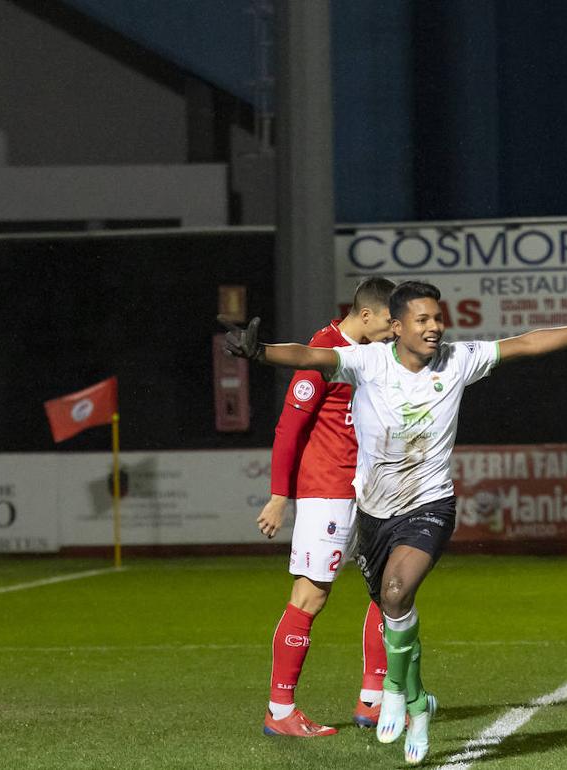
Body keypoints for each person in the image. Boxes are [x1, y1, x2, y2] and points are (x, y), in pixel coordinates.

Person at [221, 280, 567, 765]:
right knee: (383, 599)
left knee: (396, 593)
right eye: (422, 320)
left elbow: (525, 343)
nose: (434, 327)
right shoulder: (368, 362)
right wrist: (260, 353)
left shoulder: (458, 360)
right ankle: (408, 699)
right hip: (370, 505)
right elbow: (311, 358)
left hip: (429, 505)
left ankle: (387, 693)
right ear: (395, 327)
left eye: (437, 318)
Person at [257, 276, 397, 738]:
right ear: (366, 315)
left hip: (369, 490)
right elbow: (288, 429)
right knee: (310, 596)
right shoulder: (325, 349)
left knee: (390, 590)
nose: (396, 330)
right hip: (327, 493)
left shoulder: (378, 354)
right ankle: (280, 710)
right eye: (390, 320)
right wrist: (281, 496)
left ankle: (372, 702)